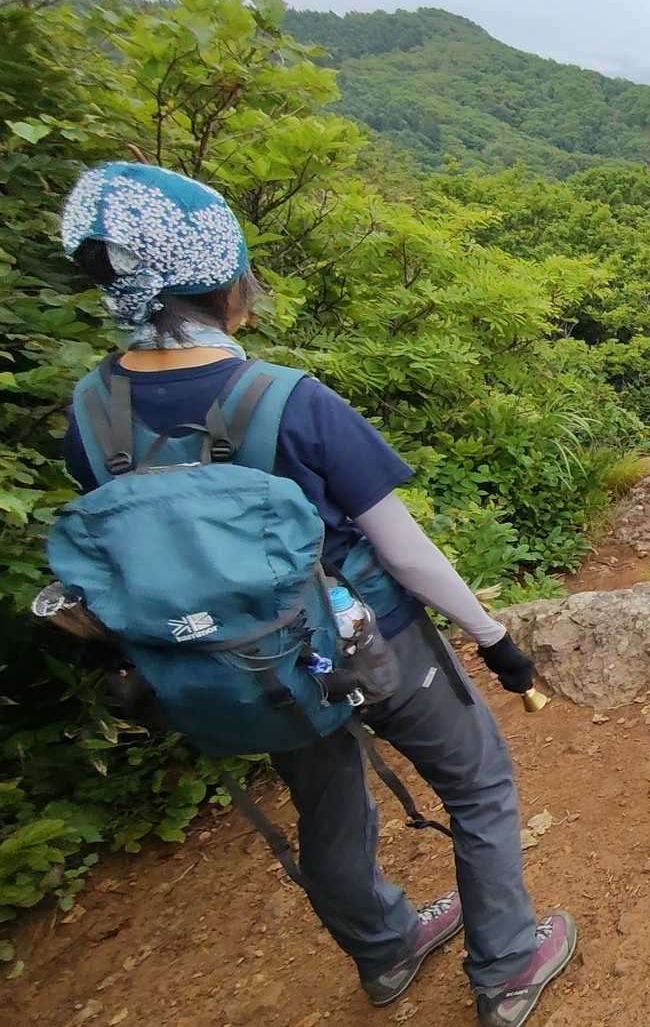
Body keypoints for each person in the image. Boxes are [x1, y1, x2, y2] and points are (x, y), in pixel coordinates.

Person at [55, 162, 577, 1027]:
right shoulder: (287, 401)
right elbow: (405, 553)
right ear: (224, 279)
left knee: (326, 806)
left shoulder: (90, 412)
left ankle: (387, 952)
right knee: (478, 785)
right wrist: (494, 640)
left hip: (244, 664)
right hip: (374, 642)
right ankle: (507, 964)